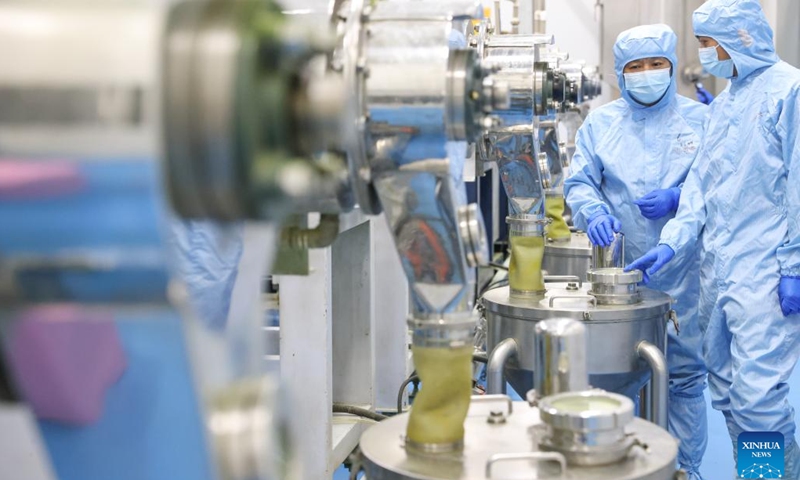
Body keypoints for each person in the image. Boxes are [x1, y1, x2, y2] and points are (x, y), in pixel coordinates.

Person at [625, 1, 800, 477]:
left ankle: (770, 476)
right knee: (724, 389)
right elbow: (701, 190)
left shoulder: (791, 90)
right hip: (719, 271)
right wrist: (671, 243)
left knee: (758, 398)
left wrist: (795, 265)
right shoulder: (725, 103)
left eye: (707, 43)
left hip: (767, 272)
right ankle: (754, 472)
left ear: (740, 38)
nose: (704, 54)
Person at [564, 24, 708, 479]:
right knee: (619, 373)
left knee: (684, 379)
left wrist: (678, 198)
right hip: (620, 275)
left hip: (686, 274)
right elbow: (579, 181)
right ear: (619, 75)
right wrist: (593, 212)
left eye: (656, 64)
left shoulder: (702, 121)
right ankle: (623, 467)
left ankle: (684, 469)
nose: (647, 74)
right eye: (635, 67)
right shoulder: (601, 124)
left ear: (672, 66)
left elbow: (715, 187)